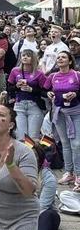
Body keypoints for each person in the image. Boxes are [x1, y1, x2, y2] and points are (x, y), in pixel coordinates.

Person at [42, 50, 80, 190]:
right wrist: (48, 93)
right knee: (64, 143)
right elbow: (42, 89)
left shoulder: (77, 75)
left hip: (75, 113)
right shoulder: (53, 76)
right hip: (59, 113)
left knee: (76, 144)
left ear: (70, 61)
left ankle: (78, 175)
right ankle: (69, 172)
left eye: (63, 57)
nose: (60, 59)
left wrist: (75, 94)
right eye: (58, 57)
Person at [7, 49, 46, 140]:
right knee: (21, 137)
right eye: (23, 55)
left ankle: (34, 154)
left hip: (34, 105)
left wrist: (31, 89)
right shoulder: (15, 71)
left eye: (28, 56)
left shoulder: (39, 74)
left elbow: (44, 91)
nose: (25, 57)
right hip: (19, 105)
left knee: (33, 138)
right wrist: (16, 86)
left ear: (33, 59)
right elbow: (9, 88)